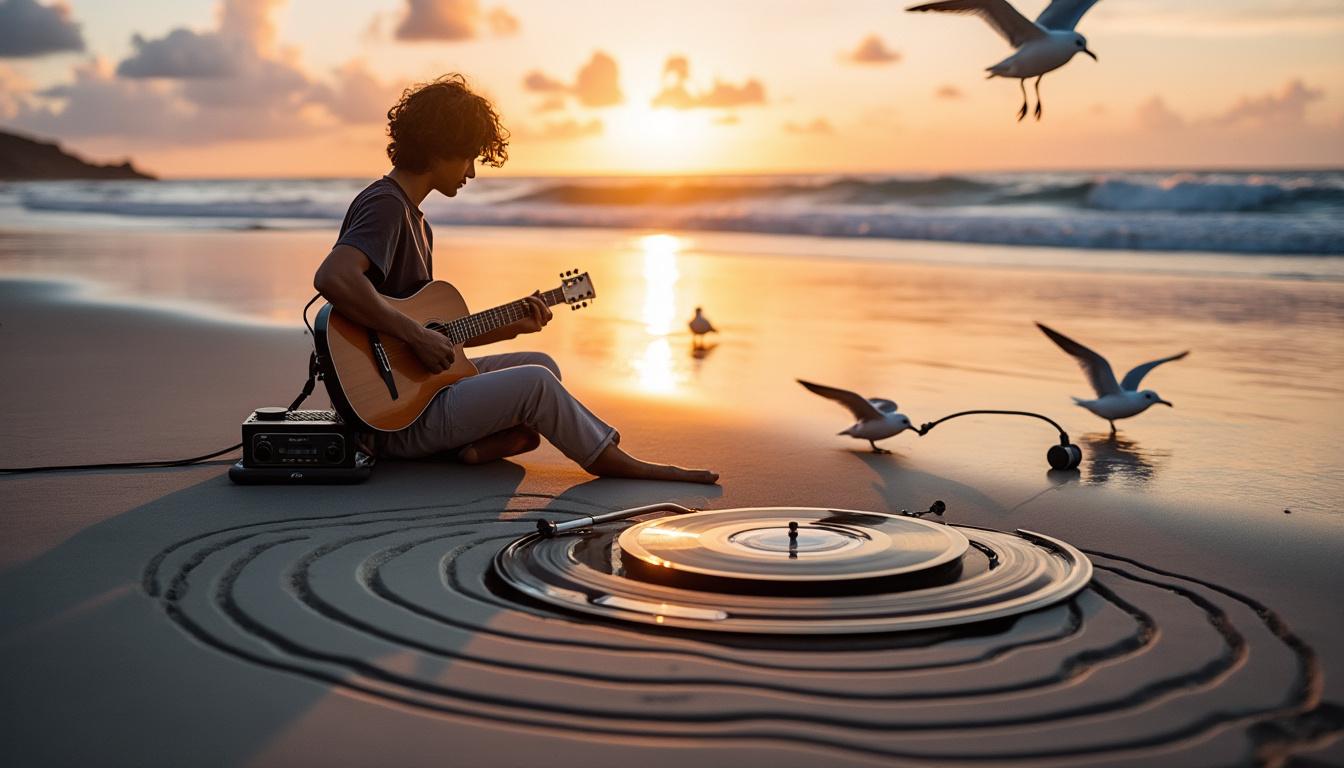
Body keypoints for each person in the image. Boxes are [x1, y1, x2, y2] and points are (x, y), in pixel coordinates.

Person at [313, 74, 717, 484]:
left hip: (412, 401)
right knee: (536, 385)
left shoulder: (415, 220)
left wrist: (508, 329)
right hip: (389, 424)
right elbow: (334, 277)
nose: (471, 172)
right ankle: (614, 461)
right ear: (438, 147)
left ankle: (473, 447)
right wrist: (418, 337)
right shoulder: (386, 206)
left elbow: (430, 342)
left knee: (541, 364)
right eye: (468, 156)